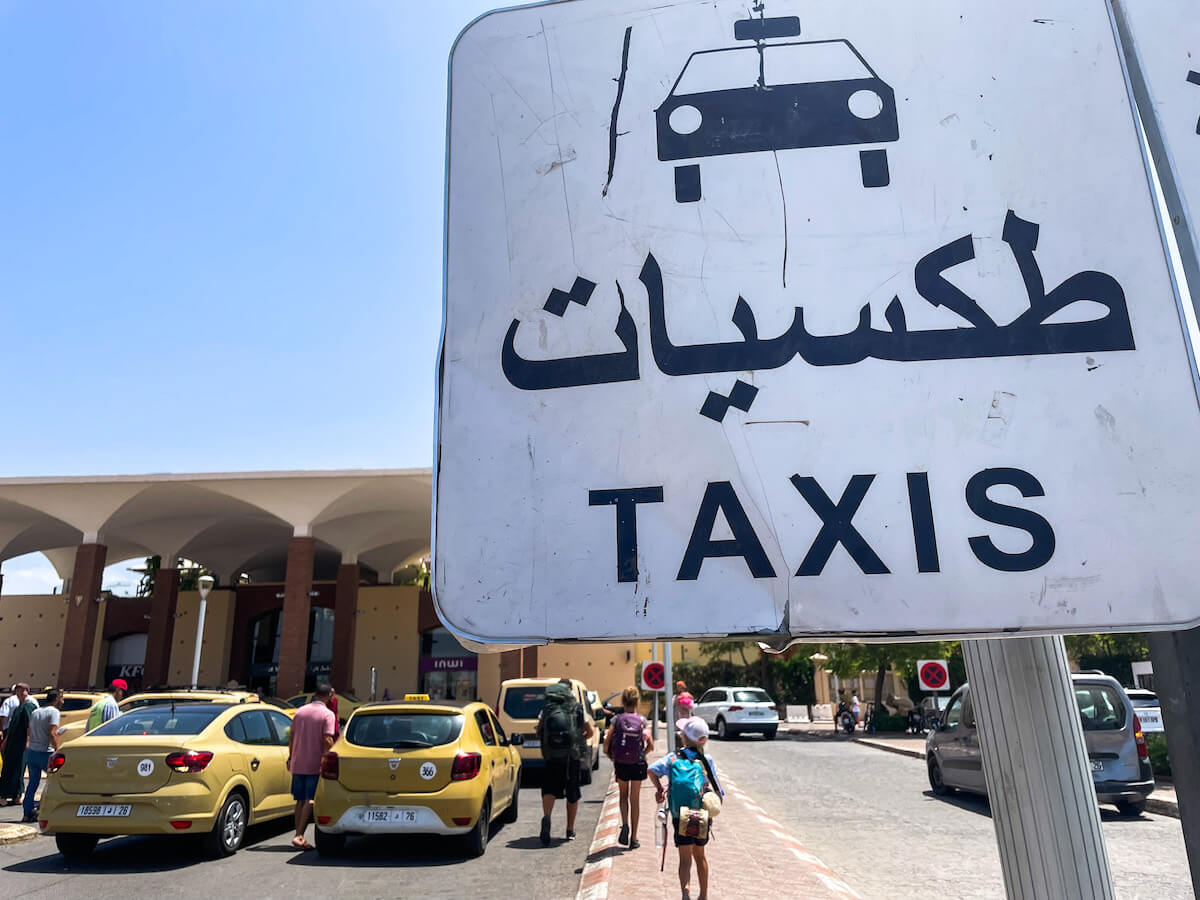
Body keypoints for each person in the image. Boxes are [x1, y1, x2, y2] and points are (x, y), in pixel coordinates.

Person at [650, 716, 724, 900]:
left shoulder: (673, 757)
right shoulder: (706, 760)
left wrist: (660, 789)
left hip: (680, 814)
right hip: (701, 814)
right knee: (700, 856)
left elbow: (651, 769)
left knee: (685, 860)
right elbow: (718, 791)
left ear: (685, 737)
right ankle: (704, 896)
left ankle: (685, 894)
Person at [537, 678, 594, 845]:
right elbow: (589, 732)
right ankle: (569, 829)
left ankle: (547, 818)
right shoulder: (576, 708)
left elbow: (539, 730)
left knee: (549, 789)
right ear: (570, 691)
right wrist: (577, 739)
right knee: (572, 793)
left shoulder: (548, 708)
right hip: (571, 757)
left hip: (552, 757)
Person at [287, 682, 337, 850]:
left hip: (298, 762)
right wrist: (329, 756)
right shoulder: (327, 714)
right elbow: (328, 739)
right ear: (329, 696)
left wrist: (290, 757)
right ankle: (299, 835)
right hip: (315, 764)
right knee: (311, 799)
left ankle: (297, 833)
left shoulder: (300, 711)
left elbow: (291, 737)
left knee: (300, 800)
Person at [604, 685, 653, 849]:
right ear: (637, 702)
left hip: (621, 764)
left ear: (623, 701)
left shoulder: (616, 720)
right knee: (635, 799)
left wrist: (612, 756)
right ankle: (634, 838)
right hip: (637, 763)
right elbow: (651, 745)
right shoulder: (642, 720)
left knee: (623, 796)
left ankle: (624, 824)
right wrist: (642, 754)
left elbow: (606, 743)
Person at [23, 689, 63, 822]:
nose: (63, 701)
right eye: (62, 698)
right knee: (55, 781)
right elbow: (52, 733)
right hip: (46, 752)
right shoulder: (54, 712)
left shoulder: (36, 712)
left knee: (33, 783)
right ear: (56, 699)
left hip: (32, 752)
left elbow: (29, 731)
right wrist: (58, 750)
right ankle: (48, 809)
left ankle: (27, 812)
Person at [0, 684, 36, 806]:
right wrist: (5, 742)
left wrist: (27, 740)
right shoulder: (17, 707)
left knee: (19, 769)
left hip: (20, 744)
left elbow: (29, 725)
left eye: (22, 691)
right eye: (17, 691)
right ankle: (5, 794)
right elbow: (11, 727)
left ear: (27, 692)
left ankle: (17, 795)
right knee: (8, 768)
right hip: (12, 743)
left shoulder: (28, 706)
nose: (19, 693)